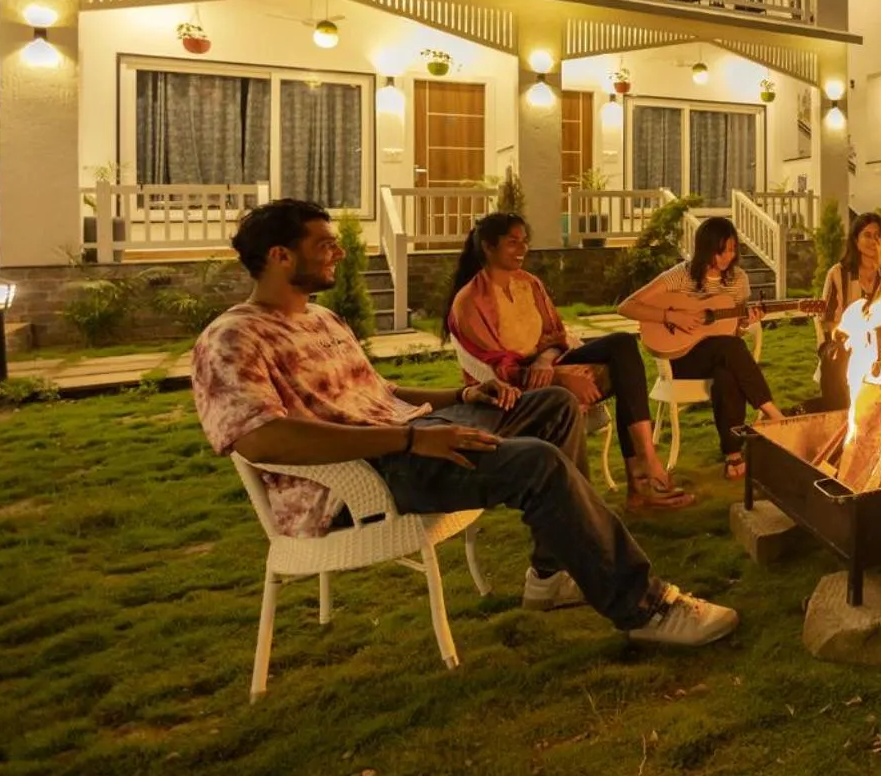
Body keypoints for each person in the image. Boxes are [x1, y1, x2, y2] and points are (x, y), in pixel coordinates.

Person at [192, 199, 736, 646]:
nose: (337, 250)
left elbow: (378, 391)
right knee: (536, 464)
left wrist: (463, 393)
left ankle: (548, 576)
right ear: (281, 256)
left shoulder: (321, 319)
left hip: (410, 433)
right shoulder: (233, 337)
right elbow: (262, 436)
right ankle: (644, 608)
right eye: (324, 244)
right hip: (361, 478)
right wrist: (409, 438)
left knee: (552, 406)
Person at [444, 212, 693, 513]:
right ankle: (641, 486)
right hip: (510, 390)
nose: (522, 249)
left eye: (525, 242)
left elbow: (555, 334)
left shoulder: (528, 283)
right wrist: (560, 378)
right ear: (487, 247)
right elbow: (498, 370)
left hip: (545, 366)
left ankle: (647, 465)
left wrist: (547, 363)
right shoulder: (470, 301)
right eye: (512, 243)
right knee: (622, 374)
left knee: (623, 345)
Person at [618, 216, 785, 479]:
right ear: (707, 248)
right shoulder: (680, 276)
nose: (728, 257)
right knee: (730, 350)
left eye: (732, 250)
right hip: (683, 358)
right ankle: (775, 416)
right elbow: (626, 306)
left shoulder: (738, 280)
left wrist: (745, 323)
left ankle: (733, 456)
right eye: (722, 250)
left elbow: (731, 330)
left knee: (726, 374)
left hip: (721, 354)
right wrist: (673, 317)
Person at [813, 211, 881, 412]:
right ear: (856, 240)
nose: (873, 241)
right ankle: (838, 414)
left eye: (878, 235)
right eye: (867, 235)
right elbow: (827, 320)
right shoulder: (838, 274)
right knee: (835, 358)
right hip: (845, 340)